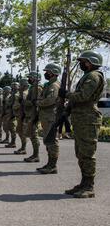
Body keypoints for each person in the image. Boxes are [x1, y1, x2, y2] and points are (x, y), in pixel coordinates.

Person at [61, 51, 105, 198]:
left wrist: (66, 94)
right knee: (80, 153)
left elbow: (83, 96)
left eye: (83, 61)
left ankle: (89, 186)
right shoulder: (87, 76)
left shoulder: (94, 76)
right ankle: (83, 183)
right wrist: (67, 110)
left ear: (90, 62)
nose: (81, 64)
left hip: (88, 120)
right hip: (82, 119)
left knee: (87, 153)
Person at [37, 64, 61, 174]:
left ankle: (52, 165)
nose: (45, 73)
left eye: (47, 71)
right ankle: (49, 163)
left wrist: (38, 103)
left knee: (51, 141)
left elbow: (50, 100)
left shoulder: (54, 86)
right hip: (47, 116)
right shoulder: (49, 85)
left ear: (53, 72)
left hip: (50, 116)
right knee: (48, 140)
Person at [23, 72, 42, 163]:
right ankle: (34, 154)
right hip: (30, 114)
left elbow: (37, 103)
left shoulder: (38, 88)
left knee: (34, 135)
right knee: (31, 135)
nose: (29, 79)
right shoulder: (32, 88)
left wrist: (29, 103)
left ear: (35, 78)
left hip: (34, 115)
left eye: (30, 77)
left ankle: (36, 155)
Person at [14, 79, 28, 155]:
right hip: (20, 115)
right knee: (19, 131)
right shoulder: (21, 93)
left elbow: (23, 104)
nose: (19, 87)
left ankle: (24, 148)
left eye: (20, 85)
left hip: (24, 115)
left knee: (23, 132)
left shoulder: (25, 94)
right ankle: (23, 147)